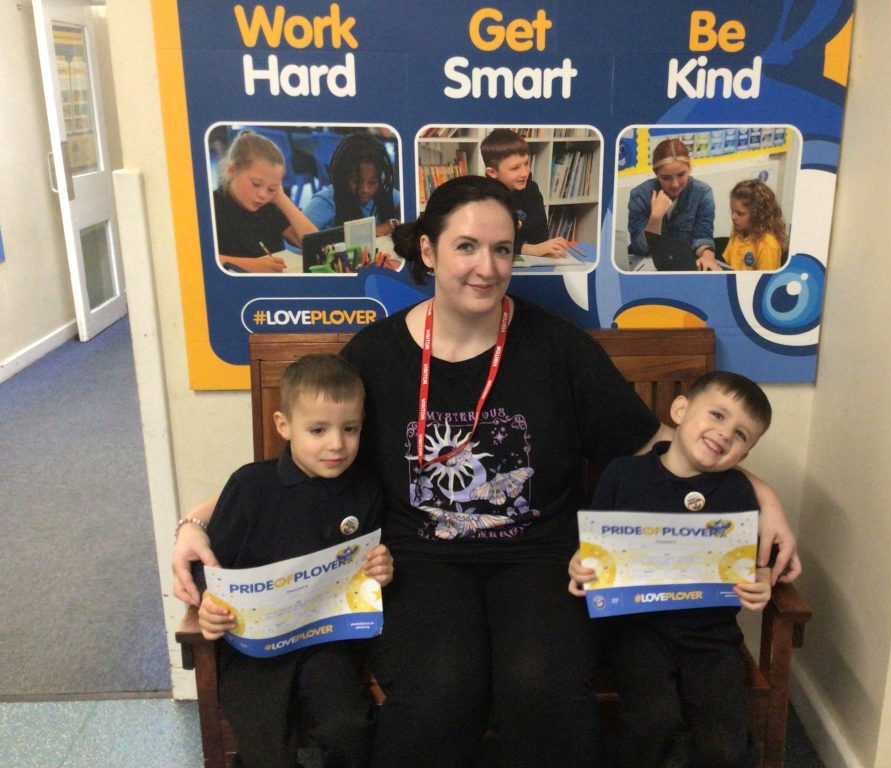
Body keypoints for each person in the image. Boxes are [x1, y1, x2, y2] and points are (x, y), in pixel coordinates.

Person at [172, 176, 800, 767]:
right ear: (428, 251)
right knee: (440, 690)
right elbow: (303, 463)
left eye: (502, 249)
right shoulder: (377, 355)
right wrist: (197, 522)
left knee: (541, 687)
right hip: (416, 557)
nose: (488, 267)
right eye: (467, 246)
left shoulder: (556, 346)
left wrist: (763, 496)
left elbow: (661, 445)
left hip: (542, 555)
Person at [190, 354, 394, 768]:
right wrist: (208, 600)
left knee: (350, 728)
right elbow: (208, 564)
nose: (336, 444)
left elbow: (369, 571)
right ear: (283, 426)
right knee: (266, 749)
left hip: (325, 643)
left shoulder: (366, 491)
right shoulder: (250, 486)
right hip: (253, 646)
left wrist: (382, 569)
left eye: (350, 429)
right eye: (318, 430)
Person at [568, 371, 775, 768]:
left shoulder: (738, 491)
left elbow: (754, 565)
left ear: (744, 455)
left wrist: (761, 583)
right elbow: (592, 549)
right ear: (680, 410)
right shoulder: (622, 474)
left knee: (725, 744)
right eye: (717, 415)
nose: (725, 433)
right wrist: (581, 565)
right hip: (637, 629)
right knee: (652, 722)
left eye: (741, 434)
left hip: (711, 635)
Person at [213, 131, 317, 273]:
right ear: (232, 171)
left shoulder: (270, 204)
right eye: (256, 184)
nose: (263, 195)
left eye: (271, 188)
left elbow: (315, 245)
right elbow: (197, 258)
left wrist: (280, 197)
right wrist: (253, 265)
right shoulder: (212, 207)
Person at [626, 137, 716, 270]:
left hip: (683, 263)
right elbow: (641, 249)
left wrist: (708, 256)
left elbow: (702, 237)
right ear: (656, 174)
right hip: (647, 264)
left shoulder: (702, 193)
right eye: (666, 178)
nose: (675, 184)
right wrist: (655, 217)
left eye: (681, 175)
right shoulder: (640, 195)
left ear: (689, 169)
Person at [481, 128, 571, 258]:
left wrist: (518, 224)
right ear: (492, 172)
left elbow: (541, 235)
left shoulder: (531, 189)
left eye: (526, 164)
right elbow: (488, 243)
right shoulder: (484, 197)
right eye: (515, 168)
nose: (525, 173)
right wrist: (528, 249)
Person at [303, 131, 400, 237]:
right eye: (357, 181)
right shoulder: (327, 201)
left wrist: (393, 224)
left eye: (372, 183)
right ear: (344, 176)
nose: (365, 189)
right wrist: (381, 229)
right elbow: (296, 238)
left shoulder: (385, 193)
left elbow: (410, 213)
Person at [714, 179, 788, 271]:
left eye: (740, 213)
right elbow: (729, 265)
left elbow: (764, 279)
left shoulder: (767, 245)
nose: (733, 217)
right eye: (732, 211)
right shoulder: (738, 231)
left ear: (757, 215)